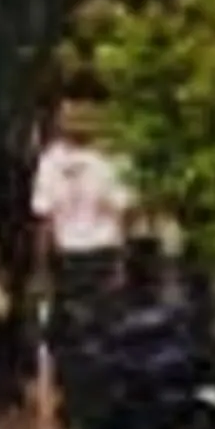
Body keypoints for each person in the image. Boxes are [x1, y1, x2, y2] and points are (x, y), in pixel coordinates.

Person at [31, 98, 136, 398]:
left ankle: (104, 393)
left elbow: (122, 213)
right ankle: (73, 394)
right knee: (64, 333)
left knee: (106, 330)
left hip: (102, 253)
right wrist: (41, 268)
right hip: (68, 256)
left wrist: (122, 263)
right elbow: (44, 217)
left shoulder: (112, 158)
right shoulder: (51, 161)